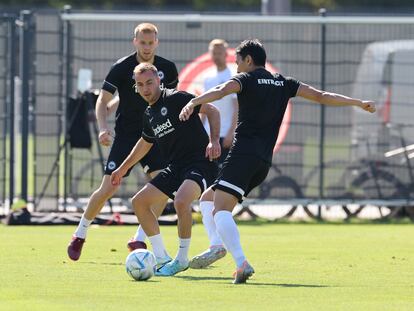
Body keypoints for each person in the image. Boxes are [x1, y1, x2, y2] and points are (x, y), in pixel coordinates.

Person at [179, 39, 376, 284]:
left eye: (238, 61)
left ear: (248, 60)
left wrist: (193, 101)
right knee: (208, 199)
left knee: (220, 210)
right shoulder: (284, 82)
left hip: (243, 155)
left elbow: (220, 91)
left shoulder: (245, 80)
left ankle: (241, 263)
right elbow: (322, 96)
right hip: (263, 161)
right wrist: (358, 102)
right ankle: (217, 246)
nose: (237, 66)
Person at [67, 23, 178, 261]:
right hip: (127, 136)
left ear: (157, 42)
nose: (147, 47)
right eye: (142, 42)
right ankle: (80, 234)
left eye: (151, 42)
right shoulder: (121, 67)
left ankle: (139, 237)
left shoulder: (167, 68)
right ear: (134, 41)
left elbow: (168, 101)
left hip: (155, 135)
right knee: (109, 187)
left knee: (162, 188)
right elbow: (103, 101)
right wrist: (103, 128)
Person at [111, 63, 221, 276]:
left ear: (159, 81)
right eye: (140, 85)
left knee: (181, 200)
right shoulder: (149, 114)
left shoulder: (177, 98)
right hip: (175, 167)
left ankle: (181, 259)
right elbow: (144, 143)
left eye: (149, 83)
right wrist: (122, 169)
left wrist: (214, 141)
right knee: (139, 202)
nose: (145, 89)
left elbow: (212, 110)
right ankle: (161, 257)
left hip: (200, 163)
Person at [189, 39, 239, 269]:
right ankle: (216, 235)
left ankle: (219, 232)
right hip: (210, 138)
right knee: (209, 185)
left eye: (220, 51)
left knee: (220, 185)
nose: (217, 55)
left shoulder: (232, 76)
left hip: (224, 136)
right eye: (214, 51)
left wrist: (230, 132)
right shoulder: (208, 78)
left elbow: (237, 108)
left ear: (225, 53)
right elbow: (205, 109)